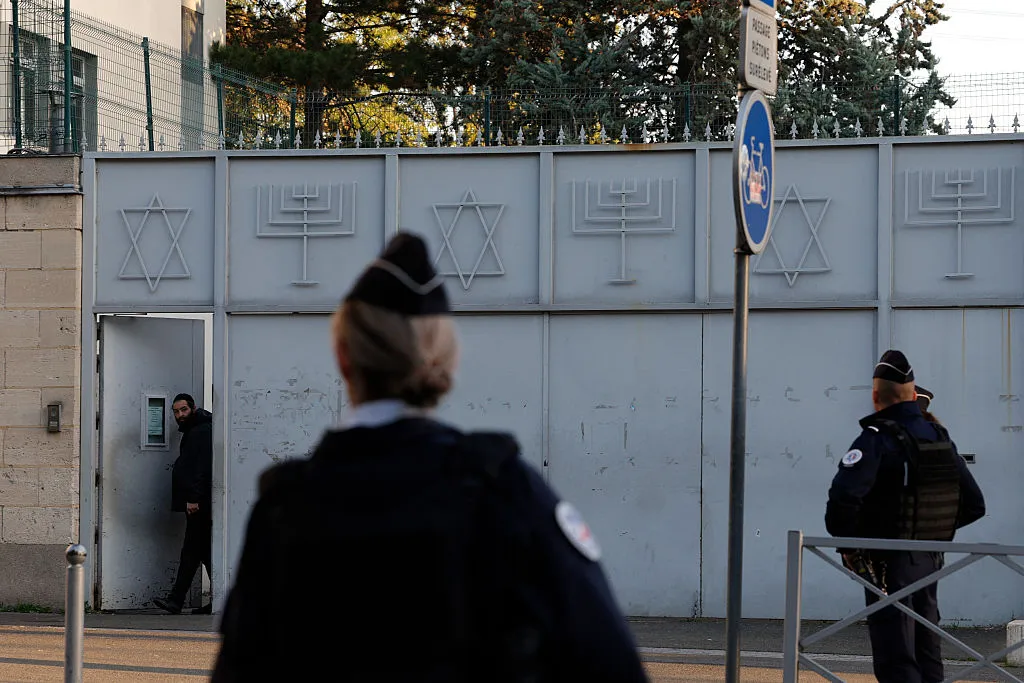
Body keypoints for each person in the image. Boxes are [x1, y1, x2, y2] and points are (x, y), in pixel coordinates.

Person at [210, 232, 649, 683]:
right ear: (447, 361)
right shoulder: (502, 489)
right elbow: (609, 662)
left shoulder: (284, 506)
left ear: (343, 358)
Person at [825, 350, 986, 683]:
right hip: (929, 559)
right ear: (914, 396)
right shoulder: (939, 437)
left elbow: (843, 499)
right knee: (927, 649)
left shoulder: (877, 439)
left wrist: (852, 547)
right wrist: (929, 530)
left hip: (886, 563)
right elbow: (974, 505)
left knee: (897, 653)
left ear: (874, 397)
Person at [153, 393, 213, 615]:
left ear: (193, 408)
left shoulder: (202, 431)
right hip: (197, 502)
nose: (179, 415)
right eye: (176, 412)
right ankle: (177, 601)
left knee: (194, 551)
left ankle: (176, 601)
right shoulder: (194, 430)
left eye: (183, 410)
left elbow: (202, 468)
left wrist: (194, 498)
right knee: (198, 552)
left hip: (199, 503)